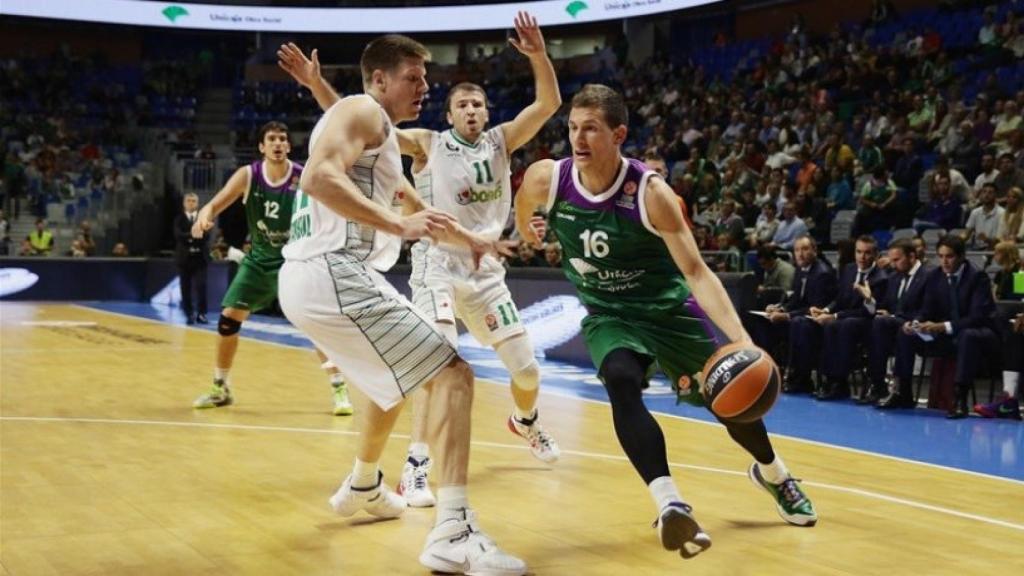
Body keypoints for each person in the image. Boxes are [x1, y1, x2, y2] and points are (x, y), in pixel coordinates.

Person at [514, 84, 817, 561]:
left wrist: (741, 340)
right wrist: (528, 231)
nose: (578, 137)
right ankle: (670, 503)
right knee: (619, 378)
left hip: (666, 310)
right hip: (609, 313)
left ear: (618, 134)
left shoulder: (651, 194)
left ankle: (774, 473)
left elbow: (696, 271)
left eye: (590, 128)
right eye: (573, 127)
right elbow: (524, 213)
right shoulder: (545, 179)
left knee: (730, 402)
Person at [279, 11, 563, 509]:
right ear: (451, 115)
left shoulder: (500, 141)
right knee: (442, 369)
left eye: (477, 102)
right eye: (459, 102)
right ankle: (424, 479)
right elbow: (356, 122)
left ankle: (370, 481)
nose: (469, 108)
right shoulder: (421, 140)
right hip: (422, 266)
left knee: (517, 373)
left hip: (478, 269)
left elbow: (546, 104)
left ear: (486, 109)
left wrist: (474, 241)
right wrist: (319, 86)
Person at [189, 121, 353, 416]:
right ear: (262, 147)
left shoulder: (304, 175)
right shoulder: (248, 175)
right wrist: (204, 215)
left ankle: (339, 389)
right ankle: (220, 387)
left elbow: (333, 205)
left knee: (314, 325)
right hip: (259, 260)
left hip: (296, 259)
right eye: (271, 139)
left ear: (289, 146)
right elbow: (215, 204)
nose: (278, 143)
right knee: (228, 320)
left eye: (282, 139)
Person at [896, 235, 998, 419]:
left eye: (949, 256)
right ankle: (903, 391)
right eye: (941, 256)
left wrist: (943, 326)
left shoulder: (977, 277)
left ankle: (959, 399)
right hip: (945, 335)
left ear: (961, 256)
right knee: (905, 332)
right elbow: (927, 309)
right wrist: (917, 323)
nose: (944, 261)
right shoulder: (935, 276)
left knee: (968, 335)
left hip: (980, 334)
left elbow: (977, 317)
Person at [812, 235, 887, 400]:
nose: (862, 256)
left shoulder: (881, 277)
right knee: (831, 325)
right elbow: (840, 299)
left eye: (867, 253)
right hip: (845, 319)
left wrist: (835, 315)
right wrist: (825, 310)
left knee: (845, 324)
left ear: (875, 254)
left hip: (867, 322)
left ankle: (839, 379)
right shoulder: (849, 269)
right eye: (859, 252)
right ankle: (831, 379)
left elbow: (868, 312)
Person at [862, 239, 930, 407]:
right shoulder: (894, 277)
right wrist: (874, 303)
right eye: (891, 260)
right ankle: (878, 383)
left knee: (898, 329)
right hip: (897, 324)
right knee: (878, 321)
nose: (892, 264)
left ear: (912, 256)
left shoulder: (929, 276)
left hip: (923, 326)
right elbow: (887, 305)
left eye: (897, 260)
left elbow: (930, 308)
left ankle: (901, 390)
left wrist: (907, 320)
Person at [174, 193, 209, 325]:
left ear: (198, 203)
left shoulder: (202, 218)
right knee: (185, 288)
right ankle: (189, 313)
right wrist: (193, 235)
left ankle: (202, 313)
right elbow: (178, 236)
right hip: (184, 259)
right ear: (184, 203)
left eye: (194, 201)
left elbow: (206, 236)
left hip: (200, 258)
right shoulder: (178, 219)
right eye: (188, 201)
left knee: (201, 286)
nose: (191, 203)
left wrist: (188, 237)